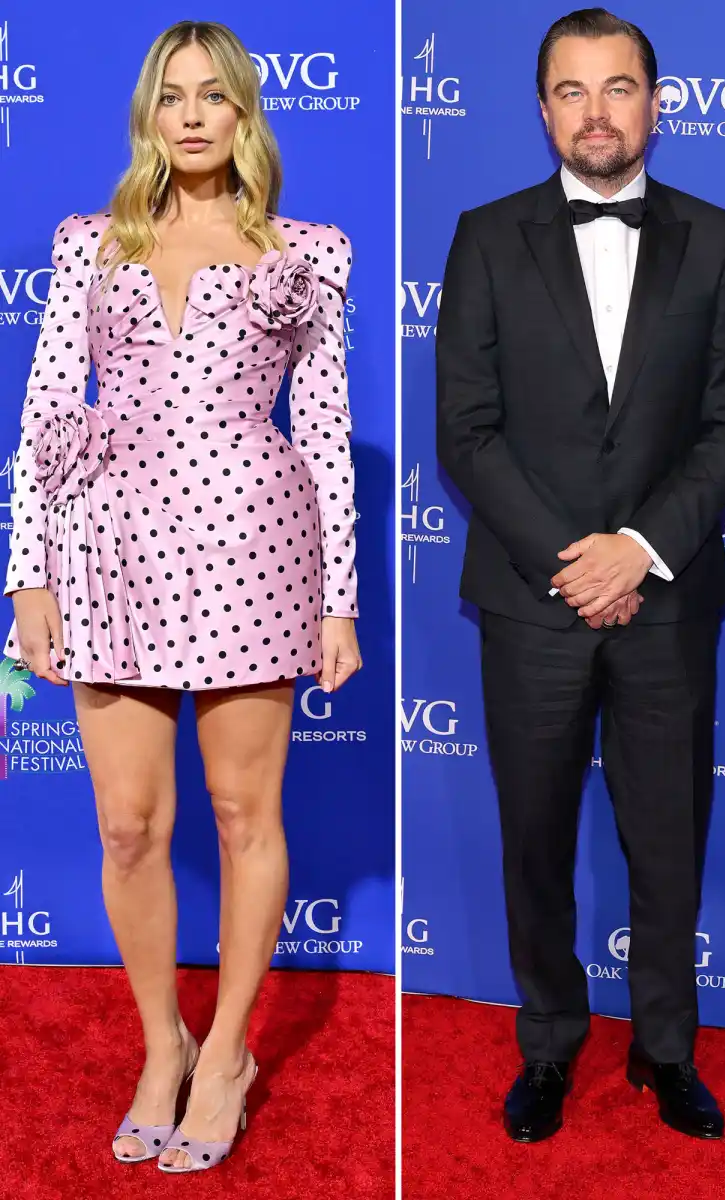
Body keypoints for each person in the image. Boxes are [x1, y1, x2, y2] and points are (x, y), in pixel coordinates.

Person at [3, 21, 361, 1171]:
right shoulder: (90, 244)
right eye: (173, 96)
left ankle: (227, 1057)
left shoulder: (306, 253)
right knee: (128, 823)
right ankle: (164, 1045)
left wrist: (339, 599)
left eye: (214, 95)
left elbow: (327, 436)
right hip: (108, 550)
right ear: (148, 115)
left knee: (246, 813)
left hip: (254, 544)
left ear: (245, 110)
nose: (194, 115)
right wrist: (28, 573)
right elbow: (47, 413)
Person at [436, 6, 725, 1143]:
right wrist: (573, 562)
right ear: (543, 110)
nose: (596, 112)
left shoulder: (717, 238)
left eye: (617, 87)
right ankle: (547, 1044)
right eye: (571, 91)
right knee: (533, 837)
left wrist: (641, 549)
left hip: (668, 597)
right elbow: (466, 429)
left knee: (668, 837)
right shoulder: (486, 236)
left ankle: (665, 1047)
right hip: (531, 600)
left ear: (656, 104)